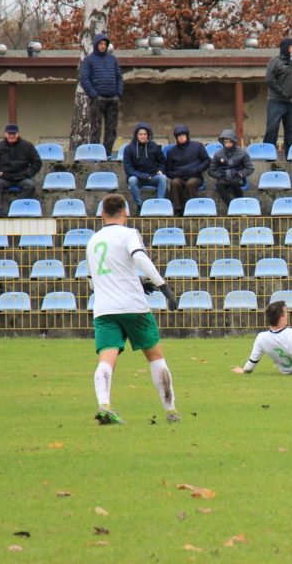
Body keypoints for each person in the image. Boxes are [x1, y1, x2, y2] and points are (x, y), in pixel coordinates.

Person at [87, 193, 181, 425]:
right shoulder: (129, 234)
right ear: (126, 213)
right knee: (155, 356)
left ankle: (104, 405)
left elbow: (93, 280)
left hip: (104, 308)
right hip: (133, 306)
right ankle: (170, 410)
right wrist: (163, 286)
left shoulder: (92, 241)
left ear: (102, 214)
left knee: (106, 359)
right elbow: (140, 258)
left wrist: (138, 282)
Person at [79, 32, 123, 156]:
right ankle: (96, 154)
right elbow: (84, 79)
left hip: (112, 99)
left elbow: (119, 77)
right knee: (96, 129)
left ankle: (107, 153)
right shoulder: (89, 60)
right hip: (97, 99)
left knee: (111, 129)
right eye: (100, 43)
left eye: (105, 44)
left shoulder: (112, 59)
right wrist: (94, 95)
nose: (103, 46)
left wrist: (118, 94)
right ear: (96, 45)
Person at [263, 37, 292, 152]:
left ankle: (291, 157)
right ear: (286, 47)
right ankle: (268, 156)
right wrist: (282, 92)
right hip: (276, 102)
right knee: (272, 129)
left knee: (291, 131)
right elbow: (269, 79)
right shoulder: (275, 61)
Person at [0, 124, 43, 207]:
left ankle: (16, 206)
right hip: (4, 178)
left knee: (31, 186)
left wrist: (27, 173)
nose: (11, 136)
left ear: (18, 134)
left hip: (21, 178)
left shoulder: (27, 146)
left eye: (14, 134)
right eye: (9, 133)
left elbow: (37, 163)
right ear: (5, 134)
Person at [164, 124, 210, 216]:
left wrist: (197, 169)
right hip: (179, 177)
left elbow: (207, 160)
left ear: (187, 135)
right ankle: (178, 209)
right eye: (178, 136)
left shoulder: (198, 146)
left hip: (195, 176)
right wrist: (176, 174)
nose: (181, 137)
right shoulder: (171, 152)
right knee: (174, 183)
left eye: (183, 135)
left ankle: (194, 208)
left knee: (190, 183)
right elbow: (168, 170)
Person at [122, 122, 167, 215]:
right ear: (136, 135)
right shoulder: (129, 148)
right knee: (132, 180)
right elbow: (128, 169)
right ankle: (139, 206)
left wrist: (160, 170)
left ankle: (160, 204)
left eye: (145, 134)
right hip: (138, 178)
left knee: (163, 178)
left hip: (153, 176)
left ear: (148, 135)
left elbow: (162, 161)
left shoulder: (154, 146)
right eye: (140, 134)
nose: (142, 136)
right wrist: (145, 176)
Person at [208, 128, 254, 206]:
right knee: (219, 186)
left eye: (230, 142)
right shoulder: (218, 154)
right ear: (223, 142)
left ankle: (241, 205)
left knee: (235, 183)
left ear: (234, 141)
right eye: (226, 142)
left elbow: (250, 168)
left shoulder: (242, 152)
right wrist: (220, 175)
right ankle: (231, 206)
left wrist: (241, 173)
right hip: (223, 178)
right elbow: (211, 170)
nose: (228, 144)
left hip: (237, 177)